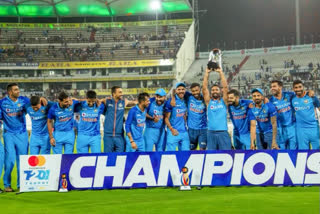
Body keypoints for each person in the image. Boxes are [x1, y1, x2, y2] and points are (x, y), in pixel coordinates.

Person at [0, 83, 45, 192]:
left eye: (18, 89)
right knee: (9, 161)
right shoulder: (2, 103)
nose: (18, 91)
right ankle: (7, 185)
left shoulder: (24, 100)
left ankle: (22, 185)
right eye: (16, 90)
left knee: (22, 161)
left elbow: (36, 104)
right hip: (9, 134)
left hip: (22, 134)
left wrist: (42, 100)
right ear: (10, 92)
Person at [171, 83, 207, 150]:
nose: (195, 92)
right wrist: (173, 98)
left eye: (197, 90)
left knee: (202, 150)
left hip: (203, 129)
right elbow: (174, 90)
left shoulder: (205, 99)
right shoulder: (189, 97)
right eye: (193, 91)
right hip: (191, 129)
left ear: (200, 90)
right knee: (191, 150)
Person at [202, 68, 231, 150]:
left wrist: (220, 72)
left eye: (216, 90)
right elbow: (204, 89)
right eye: (213, 90)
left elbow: (225, 87)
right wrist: (207, 73)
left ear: (220, 91)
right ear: (211, 92)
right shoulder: (208, 102)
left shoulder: (224, 101)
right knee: (211, 156)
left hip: (223, 132)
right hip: (211, 132)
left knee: (226, 154)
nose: (214, 91)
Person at [103, 86, 137, 153]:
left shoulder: (124, 102)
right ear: (114, 94)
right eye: (120, 92)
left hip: (119, 135)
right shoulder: (107, 101)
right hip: (108, 135)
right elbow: (97, 101)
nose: (122, 94)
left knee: (120, 157)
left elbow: (135, 103)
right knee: (108, 157)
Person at [291, 80, 320, 150]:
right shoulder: (292, 99)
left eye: (300, 87)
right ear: (293, 89)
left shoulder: (312, 97)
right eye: (296, 87)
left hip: (313, 127)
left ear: (303, 87)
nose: (298, 89)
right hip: (301, 129)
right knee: (303, 152)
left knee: (317, 150)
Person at [269, 80, 297, 150]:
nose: (272, 88)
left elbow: (300, 95)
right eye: (271, 87)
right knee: (282, 151)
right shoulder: (270, 101)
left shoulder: (289, 95)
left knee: (293, 150)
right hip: (280, 129)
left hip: (292, 127)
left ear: (280, 87)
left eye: (274, 86)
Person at [164, 83, 190, 151]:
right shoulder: (171, 102)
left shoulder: (185, 99)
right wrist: (171, 129)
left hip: (184, 132)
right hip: (173, 132)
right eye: (179, 89)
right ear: (176, 91)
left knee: (185, 155)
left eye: (183, 89)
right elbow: (166, 118)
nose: (181, 91)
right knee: (170, 155)